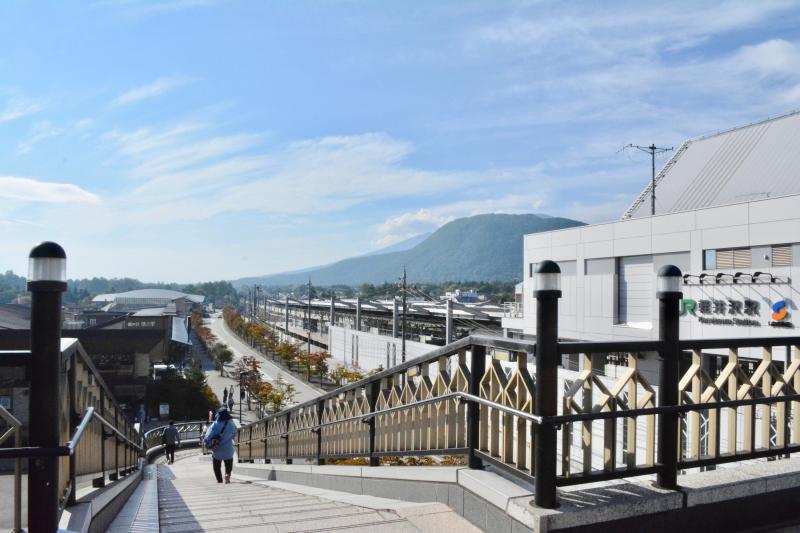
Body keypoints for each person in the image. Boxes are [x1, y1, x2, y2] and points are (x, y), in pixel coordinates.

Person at [203, 406, 237, 483]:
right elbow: (235, 434)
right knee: (228, 462)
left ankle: (219, 480)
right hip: (228, 448)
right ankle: (227, 474)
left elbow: (208, 436)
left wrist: (206, 441)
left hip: (217, 448)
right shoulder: (231, 424)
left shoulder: (215, 424)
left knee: (216, 465)